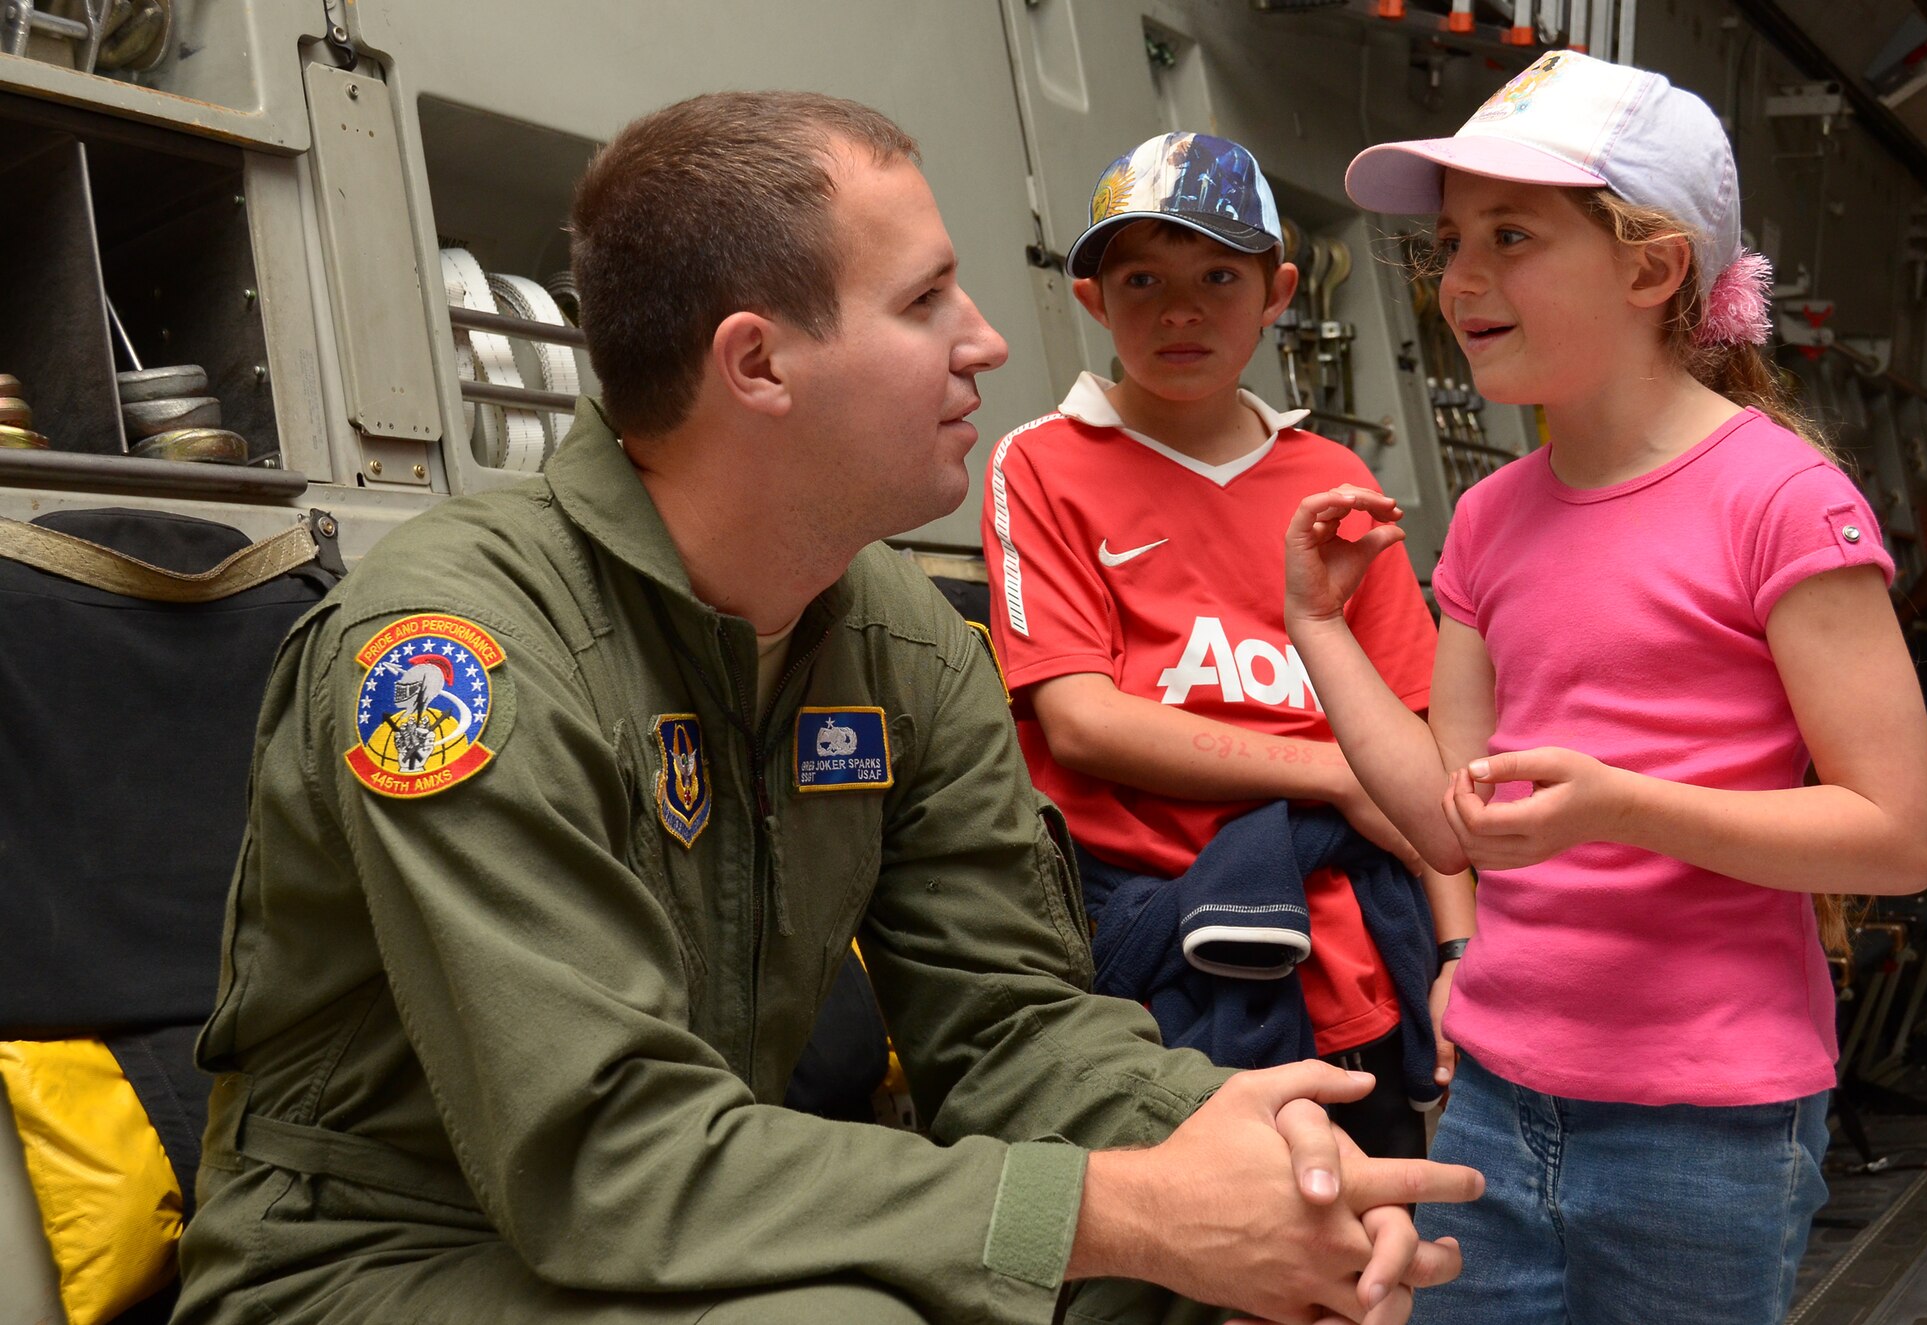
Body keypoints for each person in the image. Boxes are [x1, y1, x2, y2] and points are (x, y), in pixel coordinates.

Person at [168, 92, 1482, 1325]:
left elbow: (1010, 1023)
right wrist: (1123, 1206)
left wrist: (1225, 1139)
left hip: (697, 1203)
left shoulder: (903, 647)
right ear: (759, 365)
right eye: (925, 302)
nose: (989, 339)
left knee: (1175, 1276)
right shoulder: (463, 656)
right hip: (376, 1251)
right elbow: (607, 1156)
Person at [1286, 51, 1927, 1324]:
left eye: (1510, 236)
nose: (1458, 281)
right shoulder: (1484, 519)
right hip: (1489, 1091)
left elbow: (1897, 834)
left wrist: (1619, 807)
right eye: (1450, 243)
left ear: (1650, 269)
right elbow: (1447, 816)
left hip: (1707, 1129)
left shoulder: (1781, 501)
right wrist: (1319, 629)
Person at [983, 131, 1474, 1162]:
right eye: (1140, 279)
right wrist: (1332, 773)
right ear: (1091, 301)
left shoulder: (1332, 476)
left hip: (1350, 950)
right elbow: (1078, 719)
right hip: (1153, 960)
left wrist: (1458, 947)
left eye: (1216, 274)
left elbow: (1417, 745)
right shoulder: (1040, 463)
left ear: (1276, 290)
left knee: (1365, 1252)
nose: (1178, 310)